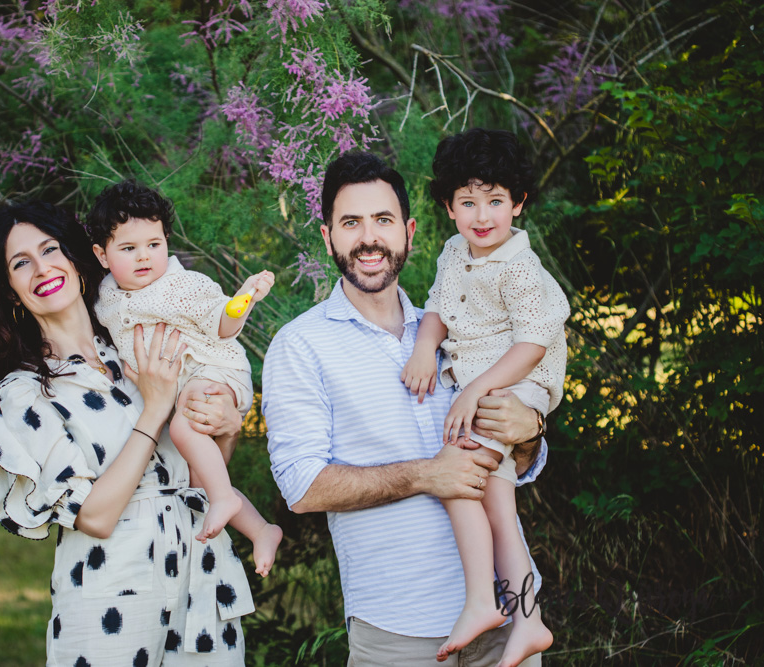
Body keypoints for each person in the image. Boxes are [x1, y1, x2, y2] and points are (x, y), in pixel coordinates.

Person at [262, 152, 548, 667]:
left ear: (410, 232)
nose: (368, 238)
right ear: (327, 237)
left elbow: (517, 462)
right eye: (351, 223)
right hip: (399, 627)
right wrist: (425, 475)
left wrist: (529, 433)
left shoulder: (461, 327)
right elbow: (301, 488)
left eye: (383, 220)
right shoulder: (300, 345)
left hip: (509, 619)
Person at [0, 200, 254, 666]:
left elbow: (198, 478)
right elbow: (94, 517)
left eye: (50, 250)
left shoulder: (142, 346)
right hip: (112, 592)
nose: (42, 269)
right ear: (11, 291)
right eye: (21, 263)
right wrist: (153, 411)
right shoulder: (25, 396)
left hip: (201, 577)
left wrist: (226, 426)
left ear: (76, 260)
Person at [401, 128, 566, 665]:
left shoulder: (519, 266)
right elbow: (437, 309)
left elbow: (535, 343)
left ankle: (479, 600)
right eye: (467, 202)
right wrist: (426, 347)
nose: (482, 215)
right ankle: (529, 620)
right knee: (498, 507)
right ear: (448, 208)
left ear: (518, 203)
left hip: (513, 385)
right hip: (483, 382)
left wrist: (474, 387)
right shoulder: (456, 251)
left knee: (456, 476)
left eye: (496, 201)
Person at [87, 180, 283, 576]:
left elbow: (222, 324)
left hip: (213, 368)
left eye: (154, 245)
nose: (144, 257)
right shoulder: (104, 296)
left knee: (183, 430)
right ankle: (261, 529)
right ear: (102, 256)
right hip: (181, 383)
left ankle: (224, 499)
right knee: (199, 481)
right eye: (129, 248)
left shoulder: (183, 286)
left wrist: (241, 300)